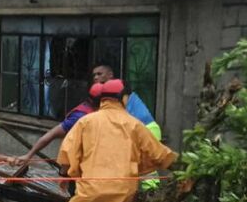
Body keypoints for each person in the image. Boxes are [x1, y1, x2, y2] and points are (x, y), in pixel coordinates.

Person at [56, 79, 177, 202]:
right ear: (123, 98)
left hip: (91, 190)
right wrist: (185, 165)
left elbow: (66, 153)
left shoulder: (85, 122)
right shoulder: (135, 124)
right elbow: (159, 154)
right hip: (125, 190)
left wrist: (64, 175)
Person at [18, 64, 163, 171]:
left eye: (99, 74)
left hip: (144, 130)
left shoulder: (118, 95)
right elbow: (61, 142)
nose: (96, 77)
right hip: (137, 133)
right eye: (94, 75)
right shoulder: (84, 117)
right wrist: (30, 155)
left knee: (143, 171)